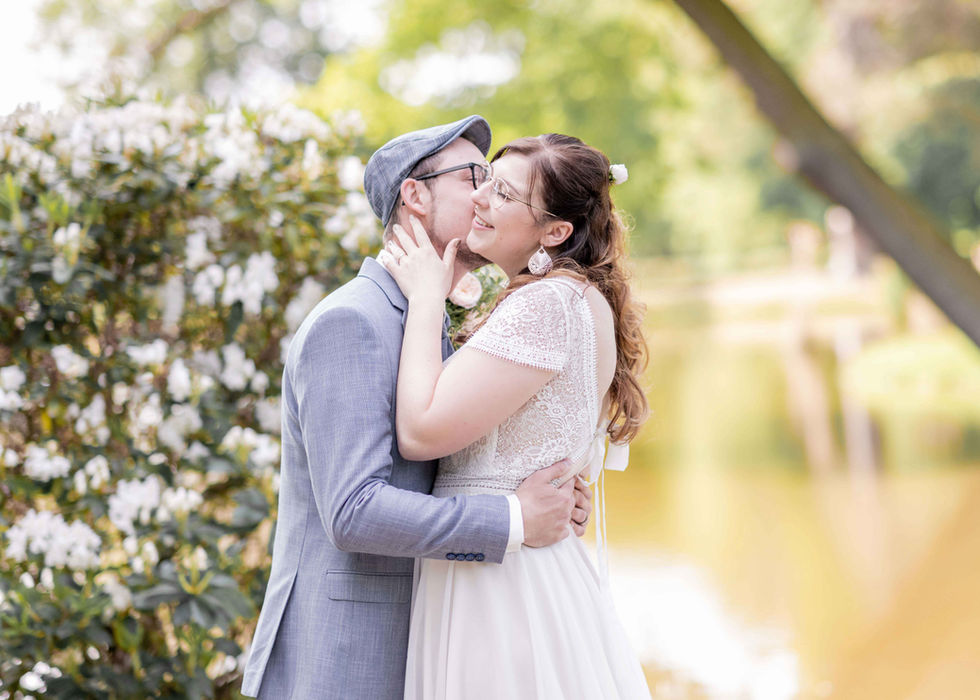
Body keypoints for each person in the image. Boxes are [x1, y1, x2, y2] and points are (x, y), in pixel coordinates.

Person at [240, 116, 593, 699]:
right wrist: (513, 518)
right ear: (415, 195)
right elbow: (354, 511)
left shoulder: (422, 320)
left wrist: (551, 493)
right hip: (346, 660)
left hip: (429, 649)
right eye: (474, 176)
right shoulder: (353, 322)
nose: (486, 194)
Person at [380, 133, 652, 699]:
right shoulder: (575, 298)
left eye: (503, 194)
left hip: (501, 588)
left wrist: (428, 296)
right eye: (482, 183)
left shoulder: (545, 305)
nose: (481, 199)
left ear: (555, 232)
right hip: (518, 568)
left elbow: (419, 431)